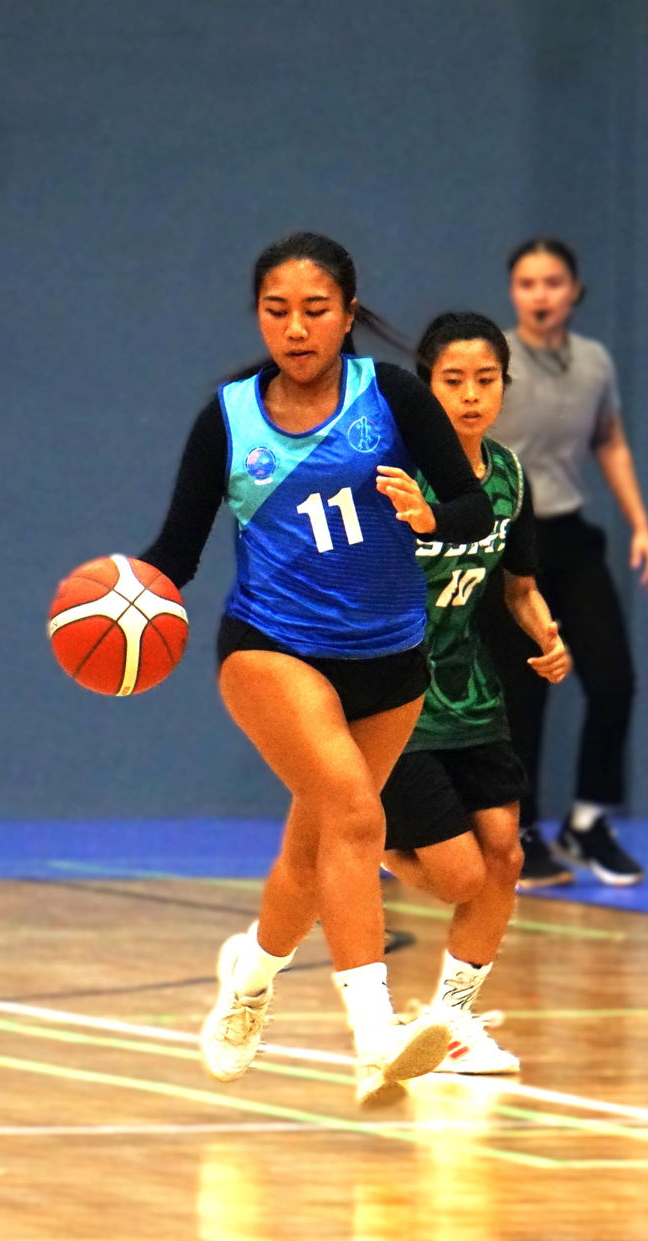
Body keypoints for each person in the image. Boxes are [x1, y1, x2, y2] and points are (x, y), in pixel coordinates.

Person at [137, 232, 494, 1106]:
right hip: (272, 647)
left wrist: (429, 513)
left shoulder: (395, 396)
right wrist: (119, 599)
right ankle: (375, 1035)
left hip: (389, 658)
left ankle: (249, 980)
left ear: (346, 311)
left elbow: (472, 506)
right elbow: (175, 554)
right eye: (276, 310)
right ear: (259, 315)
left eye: (314, 309)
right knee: (354, 810)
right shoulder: (230, 415)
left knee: (314, 852)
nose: (295, 328)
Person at [378, 311, 570, 1074]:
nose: (469, 395)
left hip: (472, 689)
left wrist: (548, 637)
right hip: (396, 693)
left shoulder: (508, 475)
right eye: (452, 380)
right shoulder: (395, 476)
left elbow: (519, 588)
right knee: (459, 873)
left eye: (485, 380)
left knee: (505, 857)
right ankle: (359, 843)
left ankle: (452, 1021)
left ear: (504, 386)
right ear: (426, 386)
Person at [480, 237, 648, 889]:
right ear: (513, 292)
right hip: (505, 545)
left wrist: (641, 525)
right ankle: (520, 833)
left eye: (553, 281)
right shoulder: (489, 362)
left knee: (614, 679)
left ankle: (587, 823)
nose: (541, 294)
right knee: (521, 699)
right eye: (528, 282)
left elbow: (609, 440)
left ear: (574, 289)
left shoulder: (595, 363)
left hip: (572, 538)